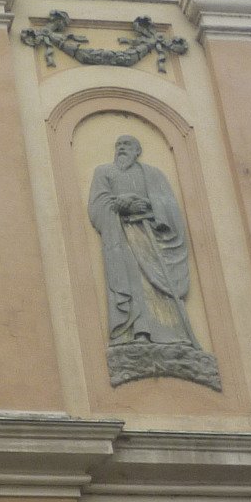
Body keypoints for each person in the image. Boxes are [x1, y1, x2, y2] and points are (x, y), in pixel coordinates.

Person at [86, 134, 199, 347]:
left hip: (151, 237)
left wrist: (146, 204)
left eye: (127, 145)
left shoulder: (153, 175)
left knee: (157, 287)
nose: (121, 148)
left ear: (137, 151)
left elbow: (169, 207)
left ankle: (175, 337)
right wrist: (123, 205)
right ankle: (139, 332)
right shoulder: (104, 172)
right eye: (118, 144)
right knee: (133, 282)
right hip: (122, 237)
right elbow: (97, 204)